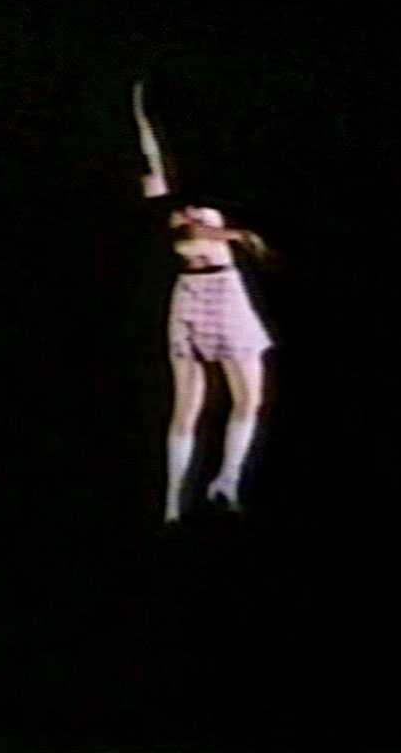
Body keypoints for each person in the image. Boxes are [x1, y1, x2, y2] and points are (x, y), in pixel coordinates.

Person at [133, 81, 271, 523]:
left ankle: (225, 482)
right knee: (187, 405)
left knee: (248, 397)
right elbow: (184, 231)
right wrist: (140, 113)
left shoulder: (206, 194)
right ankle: (173, 503)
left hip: (225, 288)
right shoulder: (168, 205)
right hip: (194, 294)